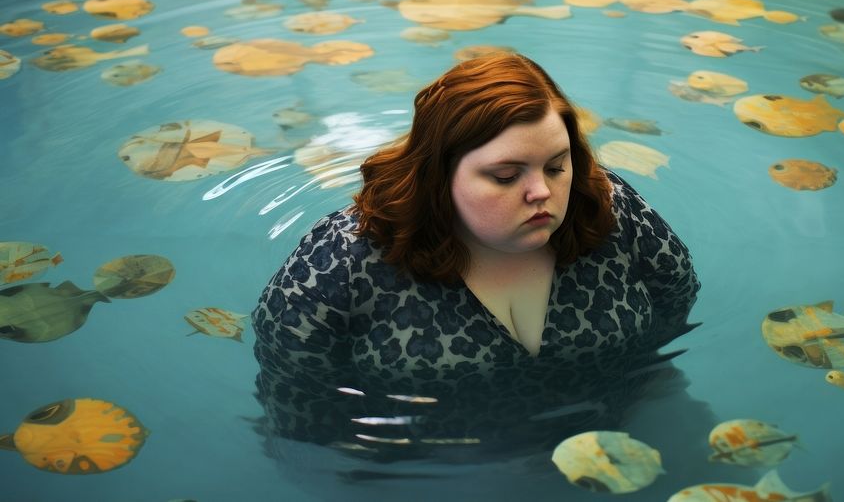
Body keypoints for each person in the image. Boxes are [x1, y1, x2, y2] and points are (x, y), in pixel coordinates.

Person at [251, 51, 700, 455]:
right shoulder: (343, 260)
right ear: (439, 176)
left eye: (557, 166)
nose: (542, 191)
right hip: (431, 467)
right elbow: (296, 393)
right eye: (506, 176)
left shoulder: (606, 208)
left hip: (622, 431)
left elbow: (675, 294)